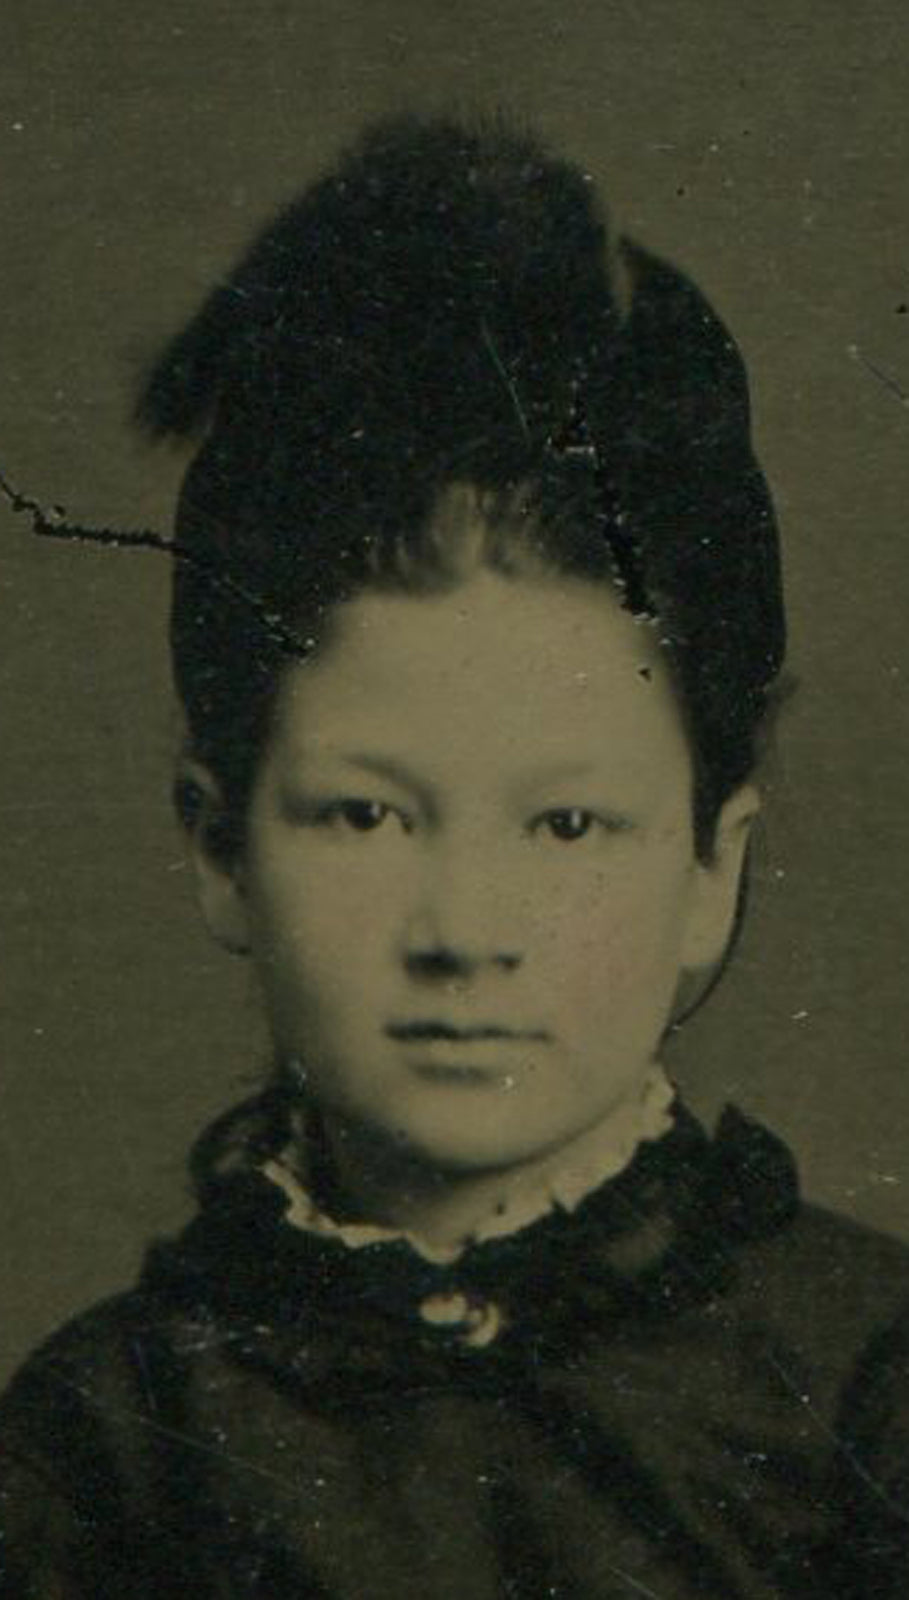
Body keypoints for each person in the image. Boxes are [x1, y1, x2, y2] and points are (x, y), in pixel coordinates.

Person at [2, 111, 908, 1600]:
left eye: (567, 825)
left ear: (708, 866)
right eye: (363, 813)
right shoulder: (103, 1444)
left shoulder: (864, 1390)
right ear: (217, 844)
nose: (466, 930)